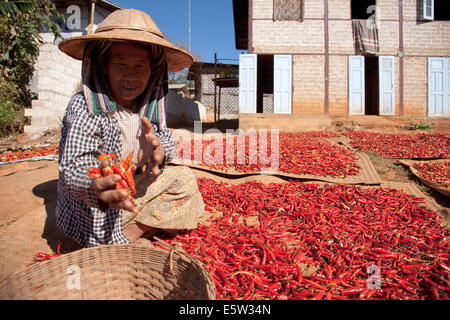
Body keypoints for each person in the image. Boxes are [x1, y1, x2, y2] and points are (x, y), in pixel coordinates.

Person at [56, 9, 204, 248]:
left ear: (152, 71)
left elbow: (163, 139)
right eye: (120, 64)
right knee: (102, 216)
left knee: (184, 179)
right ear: (103, 66)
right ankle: (117, 237)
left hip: (131, 184)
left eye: (140, 67)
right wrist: (95, 187)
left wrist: (157, 153)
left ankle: (133, 229)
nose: (131, 75)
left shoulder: (148, 106)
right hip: (95, 200)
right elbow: (73, 166)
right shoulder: (85, 105)